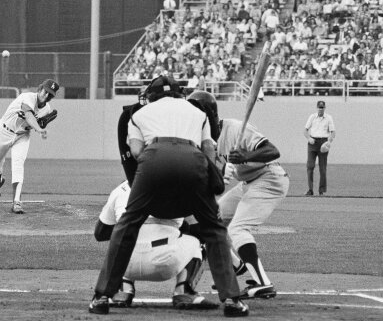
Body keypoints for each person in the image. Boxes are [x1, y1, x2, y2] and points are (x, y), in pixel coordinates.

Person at [89, 76, 249, 317]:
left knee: (128, 224)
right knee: (214, 229)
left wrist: (153, 171)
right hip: (192, 158)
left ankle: (102, 296)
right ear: (178, 94)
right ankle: (232, 301)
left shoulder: (138, 114)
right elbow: (208, 149)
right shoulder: (198, 113)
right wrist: (210, 175)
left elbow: (136, 150)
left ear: (152, 96)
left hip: (153, 157)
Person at [188, 90, 289, 300]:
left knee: (238, 228)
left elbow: (273, 151)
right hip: (247, 183)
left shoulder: (235, 129)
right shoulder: (202, 140)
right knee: (211, 221)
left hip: (269, 178)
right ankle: (236, 265)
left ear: (208, 116)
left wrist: (246, 156)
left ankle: (263, 284)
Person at [94, 179, 219, 310]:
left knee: (121, 241)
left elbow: (101, 233)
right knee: (197, 241)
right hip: (166, 264)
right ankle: (183, 290)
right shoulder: (182, 186)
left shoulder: (120, 189)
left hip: (126, 264)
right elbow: (201, 231)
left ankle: (124, 289)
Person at [0, 79, 59, 214]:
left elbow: (38, 123)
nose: (46, 96)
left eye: (50, 95)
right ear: (40, 89)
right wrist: (39, 129)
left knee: (18, 165)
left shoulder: (47, 109)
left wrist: (42, 125)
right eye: (46, 92)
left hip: (22, 136)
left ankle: (17, 202)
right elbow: (28, 115)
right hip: (4, 131)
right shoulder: (27, 97)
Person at [304, 100, 336, 196]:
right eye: (319, 107)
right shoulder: (312, 117)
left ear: (324, 108)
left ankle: (321, 190)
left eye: (322, 107)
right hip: (313, 142)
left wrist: (328, 142)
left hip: (323, 142)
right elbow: (305, 130)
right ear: (317, 108)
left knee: (322, 168)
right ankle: (310, 189)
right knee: (310, 166)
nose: (320, 109)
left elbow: (333, 132)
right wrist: (309, 138)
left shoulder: (328, 118)